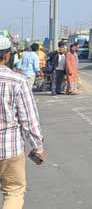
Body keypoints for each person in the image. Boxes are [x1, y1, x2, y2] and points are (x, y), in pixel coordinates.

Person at [0, 35, 46, 208]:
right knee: (13, 192)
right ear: (7, 56)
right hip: (9, 149)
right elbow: (29, 119)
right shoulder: (17, 81)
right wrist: (38, 147)